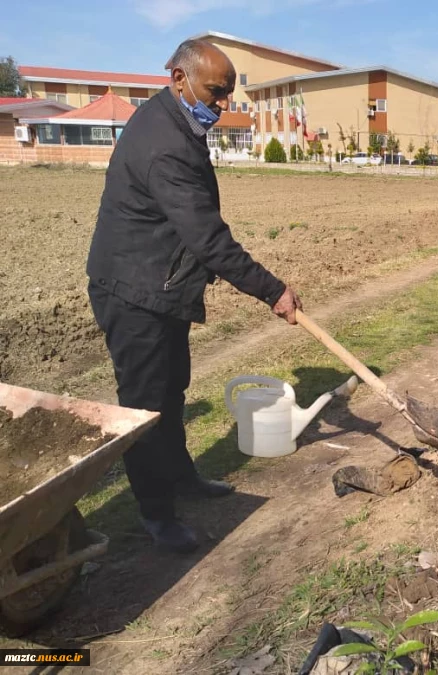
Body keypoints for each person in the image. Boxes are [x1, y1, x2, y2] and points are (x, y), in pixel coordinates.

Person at [86, 39, 302, 553]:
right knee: (144, 408)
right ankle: (157, 514)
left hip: (160, 285)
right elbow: (207, 239)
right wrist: (273, 291)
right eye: (215, 91)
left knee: (172, 390)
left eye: (228, 94)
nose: (222, 103)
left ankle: (181, 477)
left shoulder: (177, 123)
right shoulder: (164, 142)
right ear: (179, 79)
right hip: (133, 290)